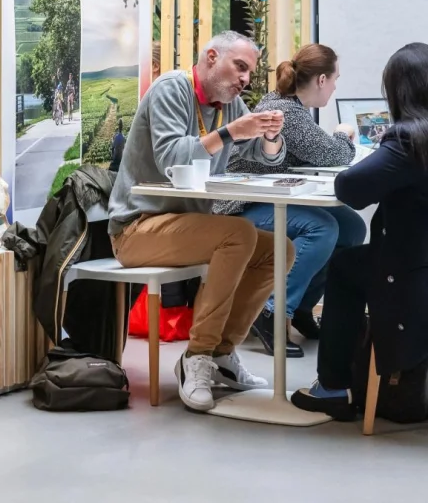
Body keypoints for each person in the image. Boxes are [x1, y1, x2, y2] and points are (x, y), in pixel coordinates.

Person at [108, 30, 295, 412]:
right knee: (238, 235)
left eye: (249, 72)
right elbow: (172, 157)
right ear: (211, 58)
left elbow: (265, 157)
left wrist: (271, 137)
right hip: (137, 228)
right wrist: (230, 133)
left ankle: (223, 354)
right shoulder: (172, 89)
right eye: (239, 67)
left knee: (279, 248)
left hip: (186, 226)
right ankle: (197, 356)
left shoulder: (229, 103)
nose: (244, 79)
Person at [292, 42, 428, 420]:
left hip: (408, 271)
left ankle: (333, 387)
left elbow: (350, 188)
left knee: (347, 266)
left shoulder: (409, 140)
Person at [228, 44, 367, 357]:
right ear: (320, 80)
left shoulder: (288, 106)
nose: (334, 87)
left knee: (352, 228)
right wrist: (343, 132)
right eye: (334, 80)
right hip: (239, 206)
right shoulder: (286, 112)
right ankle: (271, 312)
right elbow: (333, 154)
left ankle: (302, 307)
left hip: (264, 197)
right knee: (324, 228)